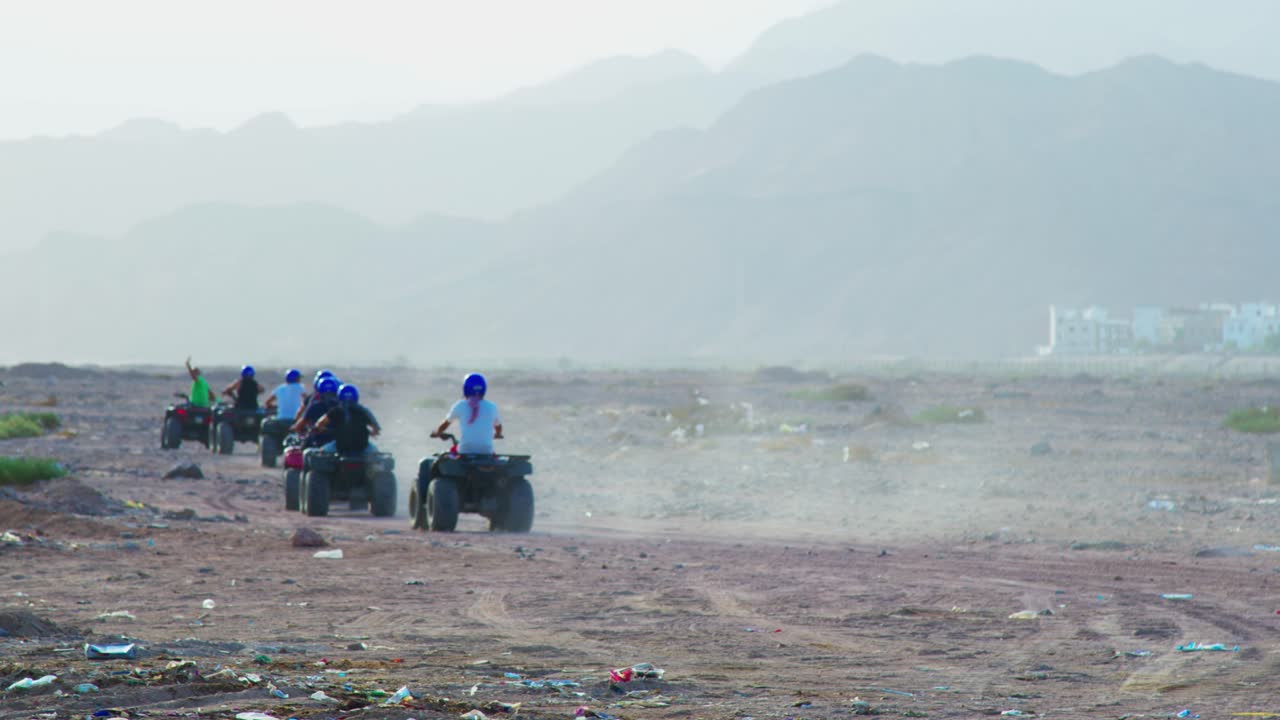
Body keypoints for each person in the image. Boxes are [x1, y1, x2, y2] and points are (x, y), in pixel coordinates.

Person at [432, 372, 503, 454]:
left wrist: (438, 432)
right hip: (486, 451)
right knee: (492, 455)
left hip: (465, 450)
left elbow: (446, 423)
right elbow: (498, 426)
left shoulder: (460, 405)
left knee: (450, 454)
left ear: (465, 389)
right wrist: (497, 434)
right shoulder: (492, 406)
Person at [314, 383, 381, 454]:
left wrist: (323, 430)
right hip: (362, 447)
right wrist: (371, 433)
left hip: (340, 447)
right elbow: (376, 428)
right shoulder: (363, 410)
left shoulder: (336, 410)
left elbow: (319, 424)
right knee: (377, 453)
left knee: (320, 452)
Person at [291, 375, 340, 447]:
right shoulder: (340, 407)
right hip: (337, 442)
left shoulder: (315, 405)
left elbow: (300, 424)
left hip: (317, 442)